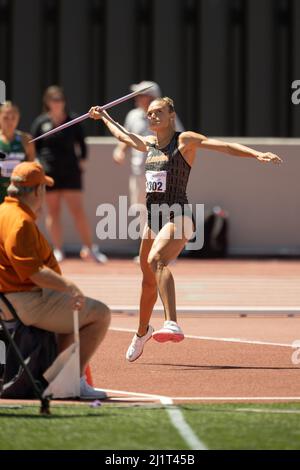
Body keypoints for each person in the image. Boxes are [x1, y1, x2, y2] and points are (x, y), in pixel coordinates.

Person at [89, 96, 282, 362]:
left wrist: (256, 154)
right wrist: (105, 118)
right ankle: (142, 332)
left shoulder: (184, 140)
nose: (152, 117)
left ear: (171, 115)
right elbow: (124, 137)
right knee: (147, 281)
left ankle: (172, 323)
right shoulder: (149, 143)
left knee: (157, 260)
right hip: (154, 218)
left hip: (178, 215)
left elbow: (224, 146)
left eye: (158, 112)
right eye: (149, 114)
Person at [0, 161, 111, 398]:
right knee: (101, 314)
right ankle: (70, 382)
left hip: (11, 298)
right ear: (38, 191)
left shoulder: (4, 212)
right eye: (44, 188)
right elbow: (33, 273)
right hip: (22, 300)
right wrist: (69, 286)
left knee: (70, 310)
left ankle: (63, 381)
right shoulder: (20, 221)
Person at [31, 85, 107, 263]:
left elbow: (83, 145)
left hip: (71, 172)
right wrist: (36, 163)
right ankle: (58, 250)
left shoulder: (73, 120)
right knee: (53, 211)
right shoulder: (41, 123)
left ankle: (90, 248)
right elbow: (34, 147)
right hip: (49, 173)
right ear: (47, 102)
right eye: (53, 100)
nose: (57, 103)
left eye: (60, 99)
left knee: (78, 211)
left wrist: (81, 162)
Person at [113, 81, 184, 259]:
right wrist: (120, 151)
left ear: (152, 97)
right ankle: (147, 251)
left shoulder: (167, 116)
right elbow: (127, 138)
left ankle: (164, 251)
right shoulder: (132, 116)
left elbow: (179, 139)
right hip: (138, 171)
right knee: (141, 209)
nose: (136, 98)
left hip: (160, 171)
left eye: (141, 94)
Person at [0, 101, 35, 203]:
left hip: (19, 192)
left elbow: (31, 169)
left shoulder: (26, 140)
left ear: (18, 118)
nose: (9, 122)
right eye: (6, 118)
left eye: (13, 118)